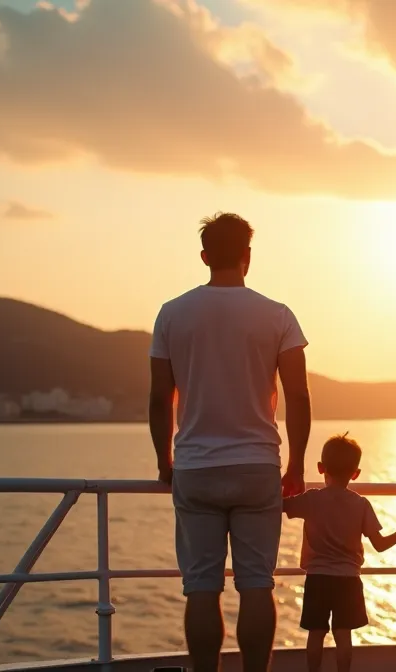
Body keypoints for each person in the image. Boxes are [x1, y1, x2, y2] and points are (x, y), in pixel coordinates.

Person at [149, 212, 312, 672]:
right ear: (247, 257)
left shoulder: (172, 313)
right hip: (257, 465)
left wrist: (165, 461)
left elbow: (160, 397)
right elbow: (298, 397)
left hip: (195, 466)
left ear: (204, 257)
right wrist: (296, 465)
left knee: (201, 587)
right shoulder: (277, 315)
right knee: (257, 584)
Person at [284, 434, 396, 672]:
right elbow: (380, 544)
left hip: (317, 578)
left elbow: (281, 504)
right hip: (348, 580)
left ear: (321, 468)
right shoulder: (361, 504)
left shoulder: (312, 499)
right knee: (343, 636)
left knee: (316, 634)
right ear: (356, 473)